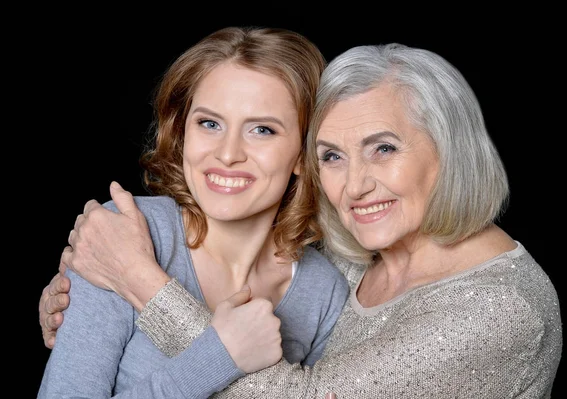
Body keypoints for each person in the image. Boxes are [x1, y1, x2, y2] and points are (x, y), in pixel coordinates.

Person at [40, 42, 563, 398]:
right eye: (332, 155)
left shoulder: (500, 310)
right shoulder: (351, 254)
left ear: (451, 151)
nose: (354, 185)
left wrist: (139, 282)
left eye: (384, 148)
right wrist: (82, 285)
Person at [37, 26, 350, 398]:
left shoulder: (322, 291)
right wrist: (218, 356)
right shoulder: (126, 234)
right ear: (183, 131)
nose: (228, 153)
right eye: (210, 123)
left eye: (262, 130)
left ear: (302, 154)